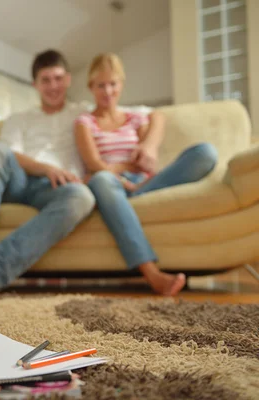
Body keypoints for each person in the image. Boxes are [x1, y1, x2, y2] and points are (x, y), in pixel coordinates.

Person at [0, 49, 165, 293]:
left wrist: (149, 145)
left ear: (67, 79)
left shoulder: (84, 113)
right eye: (45, 80)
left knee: (83, 197)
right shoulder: (19, 119)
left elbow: (154, 114)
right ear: (35, 84)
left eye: (58, 78)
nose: (53, 86)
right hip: (19, 181)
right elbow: (10, 154)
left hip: (61, 189)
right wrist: (47, 169)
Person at [74, 53, 218, 296]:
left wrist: (142, 162)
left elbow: (144, 161)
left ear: (121, 84)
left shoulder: (135, 118)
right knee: (101, 179)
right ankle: (152, 273)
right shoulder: (84, 122)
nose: (107, 91)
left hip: (143, 186)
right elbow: (95, 164)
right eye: (101, 85)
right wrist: (122, 170)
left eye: (113, 84)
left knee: (205, 152)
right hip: (110, 187)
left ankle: (134, 195)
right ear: (91, 87)